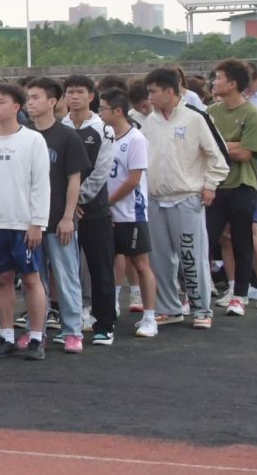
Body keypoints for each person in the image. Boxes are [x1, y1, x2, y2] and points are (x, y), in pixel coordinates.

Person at [139, 67, 229, 328]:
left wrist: (210, 185)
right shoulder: (149, 121)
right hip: (155, 199)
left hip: (187, 197)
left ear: (170, 91)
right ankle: (169, 308)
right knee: (159, 259)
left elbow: (219, 156)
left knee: (191, 256)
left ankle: (201, 309)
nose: (150, 97)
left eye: (153, 91)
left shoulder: (196, 118)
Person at [0, 83, 51, 360]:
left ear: (16, 107)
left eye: (2, 101)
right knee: (2, 279)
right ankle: (7, 336)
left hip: (23, 222)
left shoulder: (33, 140)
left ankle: (36, 337)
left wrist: (37, 222)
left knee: (32, 279)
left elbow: (41, 184)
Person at [23, 78, 89, 352]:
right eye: (28, 97)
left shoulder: (67, 136)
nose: (29, 102)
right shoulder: (25, 135)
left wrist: (67, 217)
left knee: (66, 276)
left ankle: (73, 331)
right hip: (30, 222)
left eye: (35, 97)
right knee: (32, 279)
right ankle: (35, 331)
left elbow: (74, 180)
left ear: (52, 101)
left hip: (58, 219)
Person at [206, 60, 257, 316]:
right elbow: (203, 148)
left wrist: (219, 146)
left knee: (243, 241)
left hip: (243, 185)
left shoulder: (252, 114)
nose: (214, 82)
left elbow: (245, 153)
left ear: (232, 84)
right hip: (214, 185)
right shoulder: (210, 112)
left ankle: (240, 296)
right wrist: (231, 144)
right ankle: (198, 295)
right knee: (207, 240)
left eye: (219, 78)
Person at [61, 76, 118, 345]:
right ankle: (69, 322)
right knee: (66, 271)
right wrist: (67, 206)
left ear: (91, 96)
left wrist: (77, 201)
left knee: (100, 268)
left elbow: (101, 172)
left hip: (94, 210)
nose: (74, 97)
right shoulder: (60, 128)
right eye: (70, 92)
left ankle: (104, 324)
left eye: (80, 92)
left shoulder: (103, 130)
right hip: (64, 213)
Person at [100, 90, 156, 329]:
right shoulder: (106, 137)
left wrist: (108, 202)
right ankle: (110, 305)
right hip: (109, 212)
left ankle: (150, 316)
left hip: (131, 212)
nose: (100, 113)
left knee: (140, 264)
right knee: (110, 261)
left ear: (118, 111)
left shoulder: (135, 139)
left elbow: (133, 180)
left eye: (103, 108)